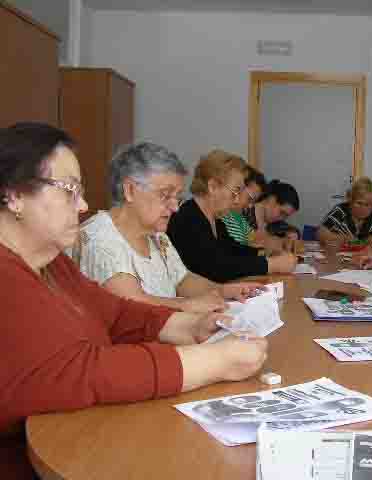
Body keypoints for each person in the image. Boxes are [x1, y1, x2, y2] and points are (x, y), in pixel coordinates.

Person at [0, 123, 267, 479]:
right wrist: (212, 361)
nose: (82, 205)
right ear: (15, 195)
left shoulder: (52, 262)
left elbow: (115, 312)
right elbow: (79, 371)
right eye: (69, 190)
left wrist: (189, 326)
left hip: (81, 434)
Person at [74, 143, 264, 313]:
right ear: (130, 190)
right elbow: (131, 303)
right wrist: (185, 305)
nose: (175, 207)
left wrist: (222, 291)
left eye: (177, 196)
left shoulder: (156, 235)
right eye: (165, 195)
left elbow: (183, 280)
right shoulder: (99, 236)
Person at [167, 149, 296, 282]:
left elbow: (233, 250)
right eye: (235, 192)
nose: (236, 200)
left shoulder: (215, 220)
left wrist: (265, 253)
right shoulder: (187, 219)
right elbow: (215, 268)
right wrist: (271, 265)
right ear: (212, 187)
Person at [317, 177, 372, 244]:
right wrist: (341, 238)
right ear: (350, 200)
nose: (363, 208)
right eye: (359, 203)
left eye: (368, 205)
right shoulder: (341, 211)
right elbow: (321, 233)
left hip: (365, 257)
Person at [220, 165, 266, 246]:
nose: (250, 206)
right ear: (237, 188)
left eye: (254, 202)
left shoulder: (240, 219)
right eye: (250, 199)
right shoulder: (219, 215)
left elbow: (257, 242)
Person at [247, 179, 301, 244]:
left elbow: (293, 230)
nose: (281, 218)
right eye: (282, 212)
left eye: (286, 216)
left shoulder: (274, 224)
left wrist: (293, 233)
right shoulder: (245, 213)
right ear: (272, 198)